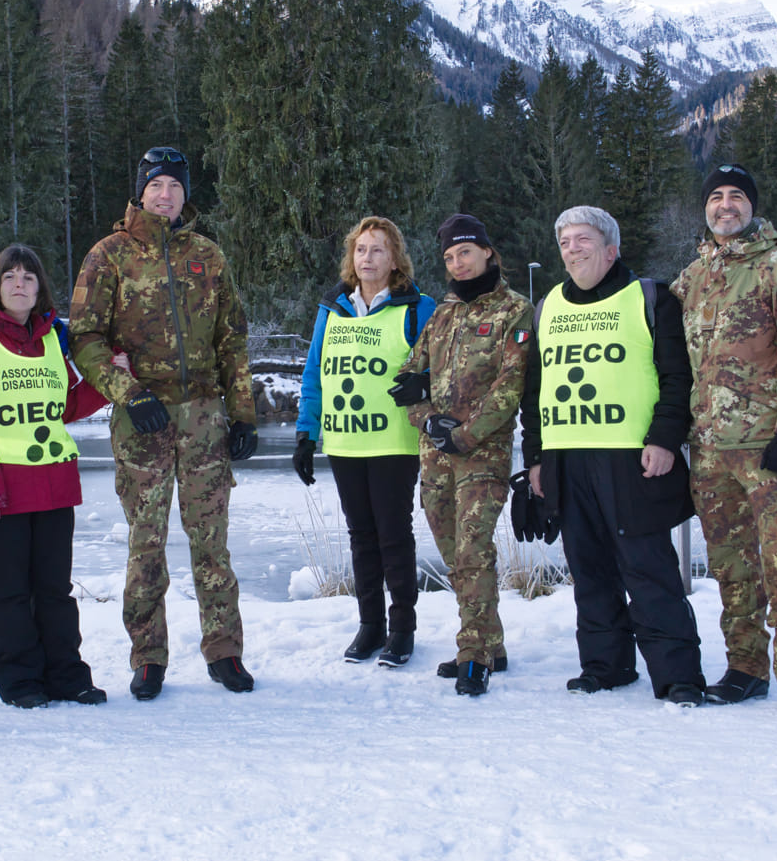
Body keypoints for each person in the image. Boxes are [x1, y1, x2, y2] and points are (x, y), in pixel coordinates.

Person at [68, 146, 258, 700]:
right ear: (141, 190)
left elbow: (232, 340)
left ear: (184, 194)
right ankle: (148, 656)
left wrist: (241, 413)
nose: (166, 195)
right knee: (145, 543)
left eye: (175, 186)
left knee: (211, 543)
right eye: (157, 185)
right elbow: (85, 339)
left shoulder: (208, 256)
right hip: (142, 420)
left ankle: (224, 651)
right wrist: (127, 394)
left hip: (203, 416)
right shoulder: (110, 254)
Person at [521, 206, 705, 706]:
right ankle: (606, 665)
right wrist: (534, 457)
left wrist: (666, 439)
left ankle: (678, 675)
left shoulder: (649, 298)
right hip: (566, 457)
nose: (573, 249)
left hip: (630, 458)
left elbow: (677, 377)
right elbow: (534, 389)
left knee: (647, 568)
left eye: (583, 239)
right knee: (589, 568)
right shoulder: (547, 307)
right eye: (565, 242)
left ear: (611, 248)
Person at [671, 165, 777, 717]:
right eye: (715, 197)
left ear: (752, 206)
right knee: (731, 566)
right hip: (711, 452)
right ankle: (745, 667)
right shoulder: (691, 279)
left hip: (769, 449)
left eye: (736, 196)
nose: (725, 205)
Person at [0, 245, 111, 708]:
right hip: (2, 487)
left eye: (28, 277)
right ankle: (20, 680)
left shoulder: (49, 340)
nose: (19, 284)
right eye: (10, 277)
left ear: (40, 288)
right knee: (10, 593)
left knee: (55, 591)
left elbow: (66, 405)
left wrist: (111, 375)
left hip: (54, 483)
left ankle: (66, 675)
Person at [393, 214, 533, 695]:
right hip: (434, 457)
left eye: (466, 253)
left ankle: (473, 653)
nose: (458, 263)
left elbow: (510, 386)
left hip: (482, 455)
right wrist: (428, 420)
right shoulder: (442, 313)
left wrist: (465, 435)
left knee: (473, 549)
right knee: (456, 557)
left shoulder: (514, 310)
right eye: (450, 257)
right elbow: (408, 378)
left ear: (488, 253)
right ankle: (491, 642)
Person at [293, 216, 436, 667]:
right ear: (350, 259)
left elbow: (443, 366)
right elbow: (315, 373)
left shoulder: (417, 307)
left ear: (395, 259)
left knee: (394, 535)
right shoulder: (332, 308)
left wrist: (425, 383)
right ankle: (370, 625)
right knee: (361, 536)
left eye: (377, 249)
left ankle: (403, 629)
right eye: (360, 249)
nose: (367, 257)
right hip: (345, 442)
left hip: (394, 441)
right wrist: (304, 433)